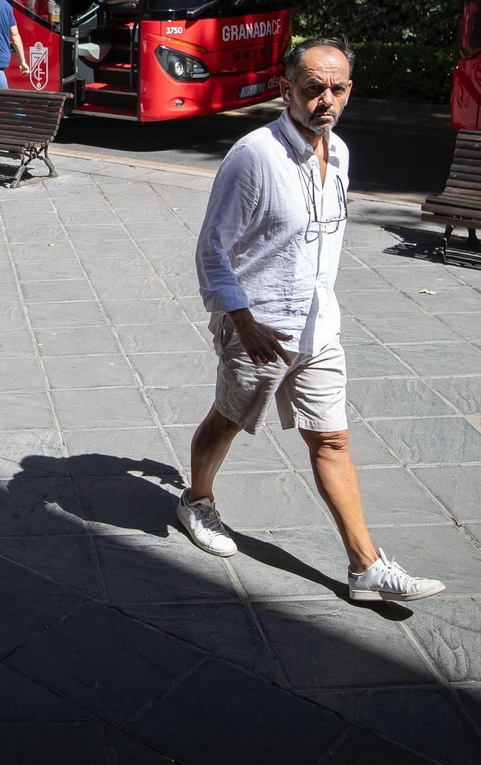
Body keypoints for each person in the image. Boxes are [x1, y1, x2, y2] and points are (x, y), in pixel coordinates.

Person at [179, 36, 446, 604]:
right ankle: (196, 499)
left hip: (319, 326)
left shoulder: (341, 153)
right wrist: (241, 320)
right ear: (287, 91)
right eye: (314, 88)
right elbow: (211, 248)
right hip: (260, 327)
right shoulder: (254, 155)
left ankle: (365, 566)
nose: (326, 99)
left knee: (330, 438)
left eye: (338, 88)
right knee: (228, 421)